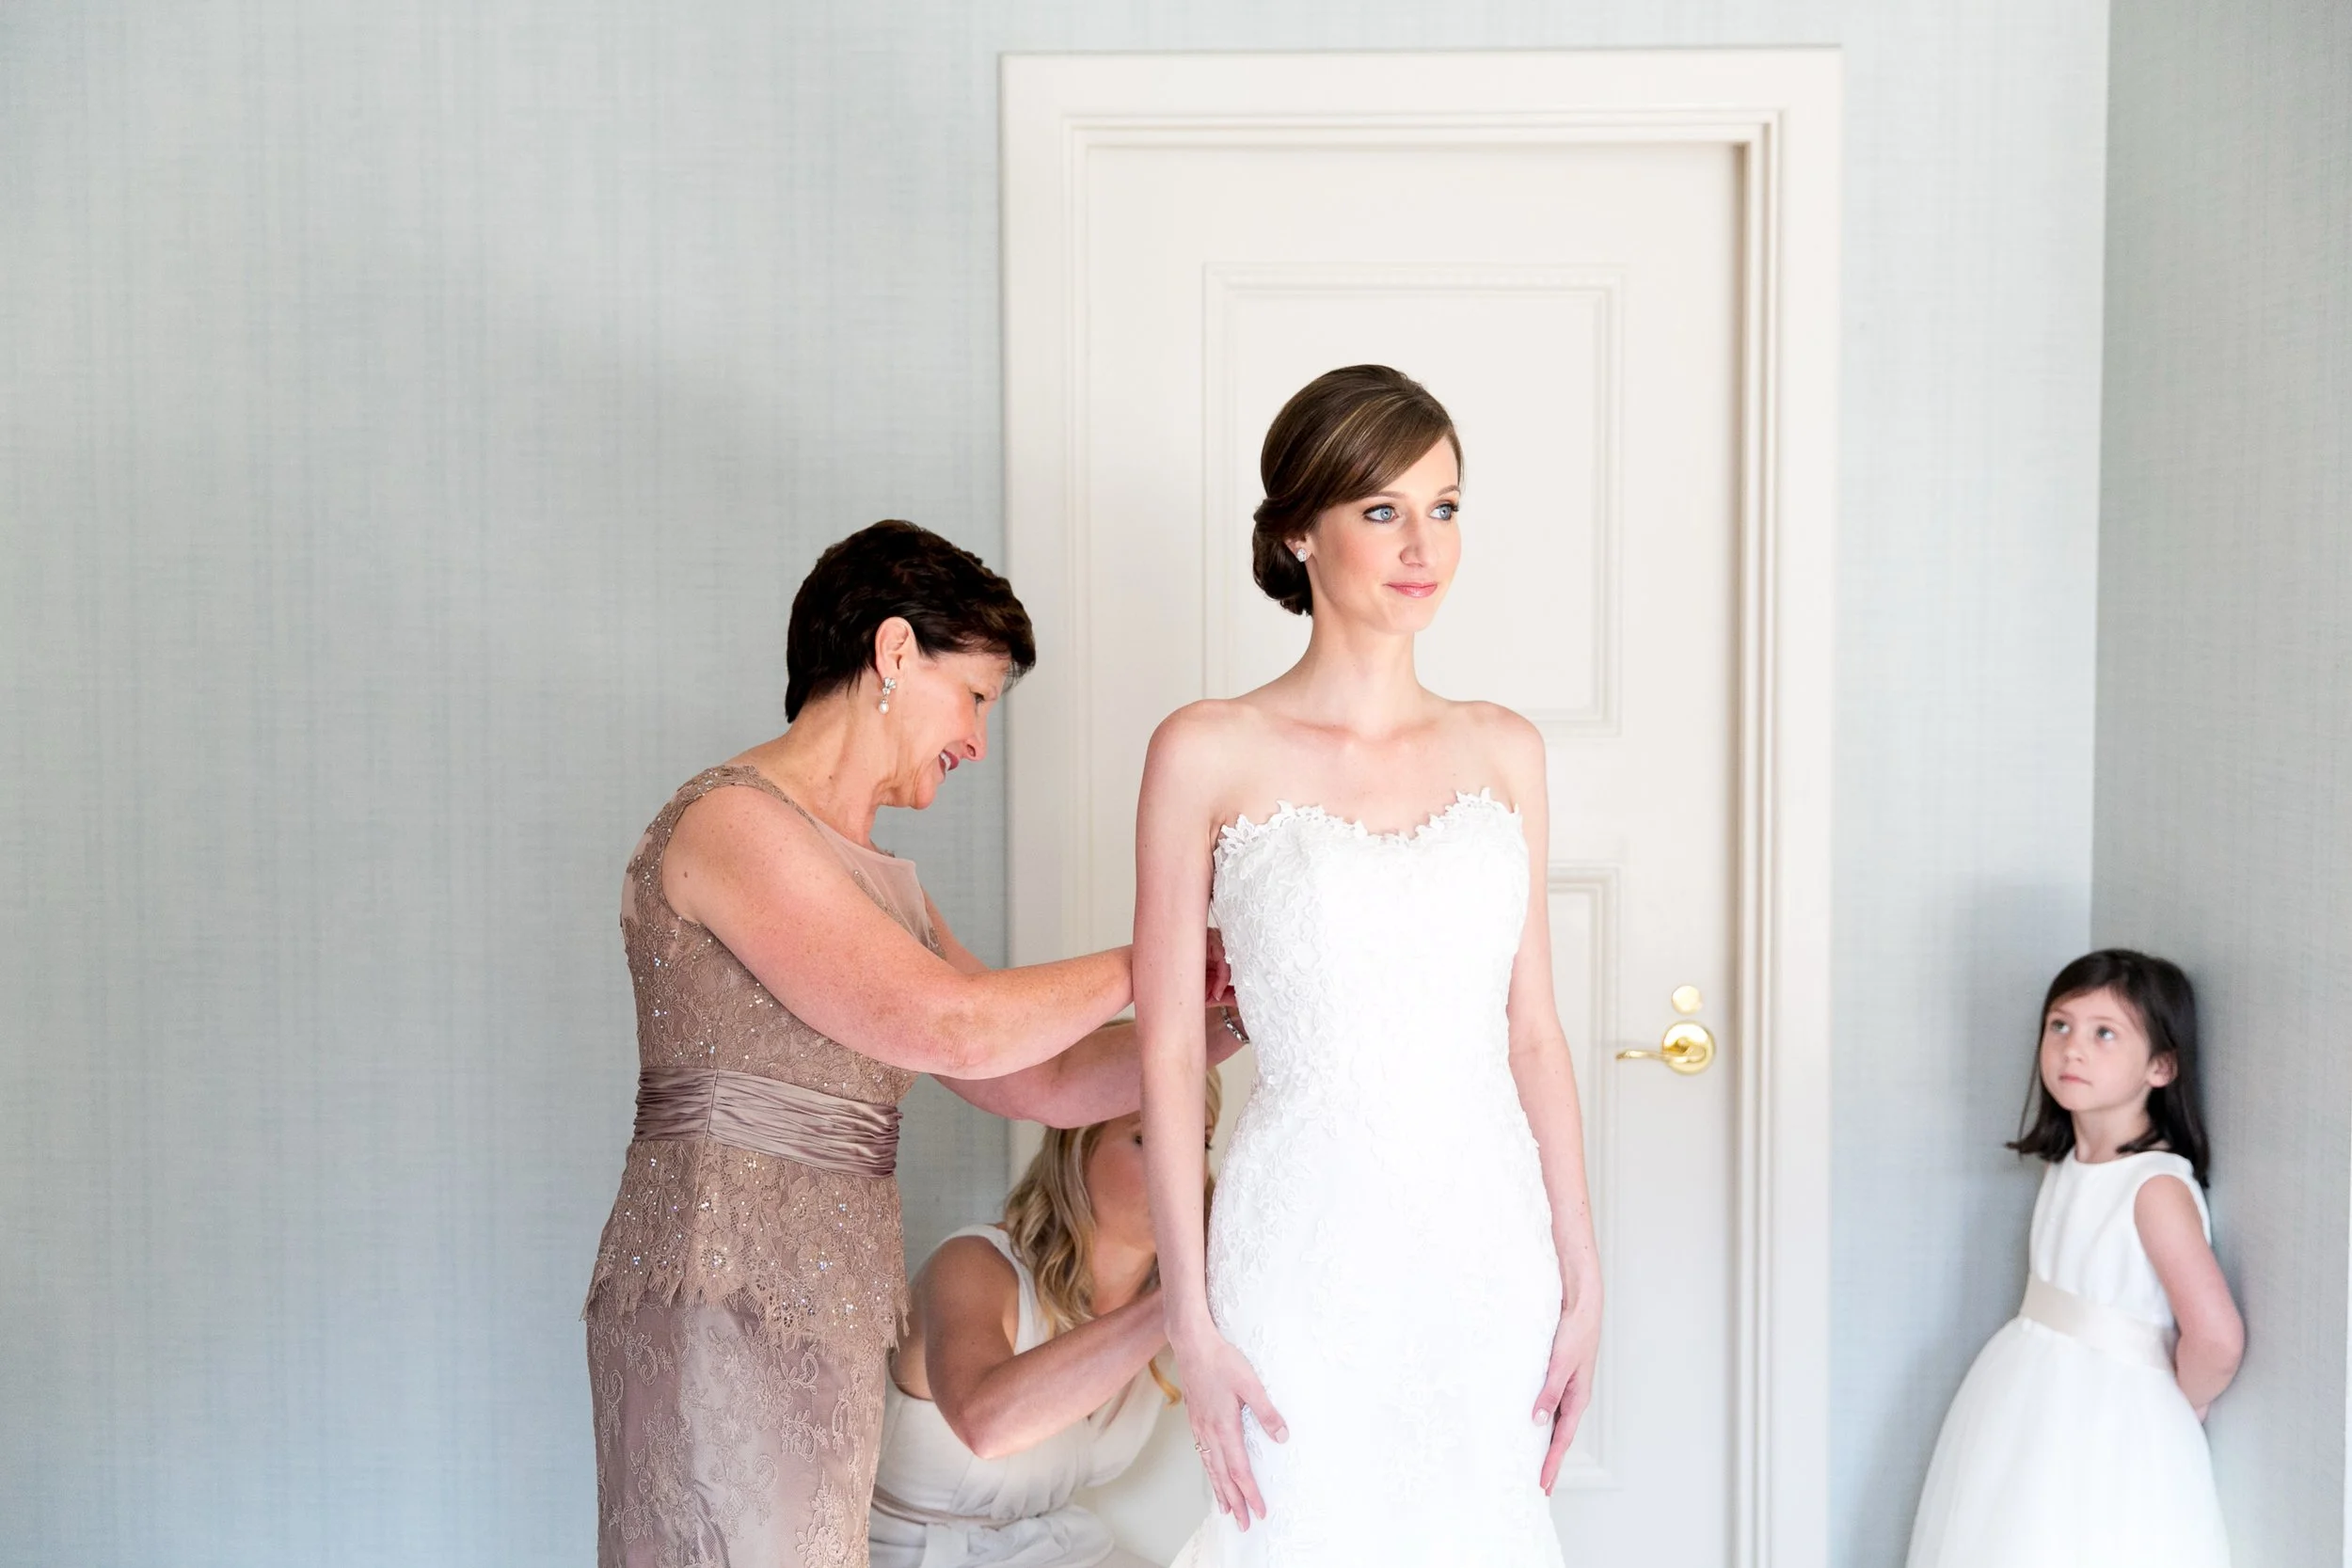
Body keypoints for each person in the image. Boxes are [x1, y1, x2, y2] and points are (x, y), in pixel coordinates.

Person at [582, 520, 1238, 1568]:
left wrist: (1233, 1011)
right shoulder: (731, 823)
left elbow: (1046, 1077)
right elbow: (946, 1022)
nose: (977, 736)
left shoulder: (891, 886)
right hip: (717, 1283)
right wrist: (1163, 949)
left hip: (838, 1300)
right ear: (893, 652)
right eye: (974, 695)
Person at [1133, 365, 1603, 1566]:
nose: (1422, 545)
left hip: (1486, 1244)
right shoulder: (1204, 749)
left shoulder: (1503, 749)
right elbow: (1171, 1041)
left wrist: (1581, 1268)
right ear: (1299, 529)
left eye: (1444, 507)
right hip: (1303, 1246)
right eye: (1381, 509)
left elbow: (1533, 1031)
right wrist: (1186, 1310)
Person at [1905, 949, 2241, 1568]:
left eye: (2104, 1033)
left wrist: (2181, 1404)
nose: (2072, 1049)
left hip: (2112, 1410)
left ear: (2162, 1065)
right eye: (2060, 1025)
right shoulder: (2068, 1165)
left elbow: (2217, 1337)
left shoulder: (2154, 1187)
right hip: (2030, 1385)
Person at [867, 1070, 1225, 1568]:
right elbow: (985, 1424)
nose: (1183, 1166)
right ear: (1077, 1149)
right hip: (908, 1556)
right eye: (1146, 1138)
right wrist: (1176, 1302)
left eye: (1200, 1141)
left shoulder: (1168, 1302)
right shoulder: (975, 1267)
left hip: (1054, 1550)